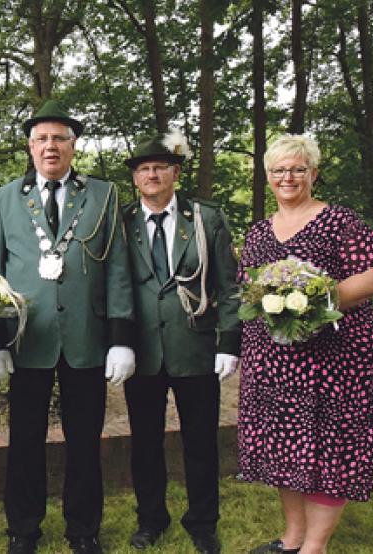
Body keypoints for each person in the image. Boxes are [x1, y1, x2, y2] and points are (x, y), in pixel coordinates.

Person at [0, 100, 136, 554]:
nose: (51, 146)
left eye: (60, 138)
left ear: (74, 145)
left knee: (85, 441)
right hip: (27, 338)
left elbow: (118, 271)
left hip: (86, 339)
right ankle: (23, 529)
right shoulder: (3, 199)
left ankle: (83, 530)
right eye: (42, 139)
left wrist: (121, 340)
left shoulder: (104, 195)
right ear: (30, 147)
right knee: (24, 440)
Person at [238, 134, 373, 554]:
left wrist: (310, 304)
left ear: (313, 173)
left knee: (330, 449)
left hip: (336, 359)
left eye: (297, 169)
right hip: (275, 362)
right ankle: (291, 539)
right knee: (286, 444)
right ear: (268, 176)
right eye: (279, 170)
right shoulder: (258, 231)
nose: (288, 177)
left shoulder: (341, 221)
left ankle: (315, 546)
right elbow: (248, 287)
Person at [120, 132, 240, 554]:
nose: (152, 174)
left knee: (201, 441)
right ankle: (151, 519)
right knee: (145, 442)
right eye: (143, 169)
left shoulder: (206, 218)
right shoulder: (121, 221)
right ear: (135, 178)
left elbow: (229, 285)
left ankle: (203, 522)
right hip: (143, 352)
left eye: (159, 167)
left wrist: (230, 342)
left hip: (195, 347)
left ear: (175, 172)